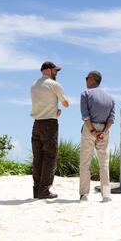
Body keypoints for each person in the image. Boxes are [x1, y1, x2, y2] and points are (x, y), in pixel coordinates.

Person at [30, 61, 69, 199]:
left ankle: (36, 190)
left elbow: (41, 104)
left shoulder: (34, 85)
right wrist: (56, 110)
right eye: (55, 71)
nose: (56, 73)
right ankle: (44, 191)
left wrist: (52, 110)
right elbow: (66, 103)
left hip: (36, 124)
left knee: (37, 158)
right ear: (48, 70)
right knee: (49, 158)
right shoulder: (54, 84)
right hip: (49, 124)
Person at [79, 71, 115, 202]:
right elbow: (111, 118)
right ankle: (106, 195)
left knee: (85, 163)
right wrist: (104, 131)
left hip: (90, 129)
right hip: (104, 130)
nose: (85, 80)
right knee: (104, 163)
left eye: (87, 78)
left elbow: (85, 115)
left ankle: (84, 195)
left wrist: (93, 131)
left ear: (92, 79)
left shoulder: (85, 94)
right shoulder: (110, 97)